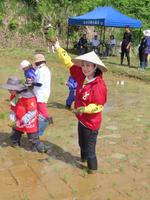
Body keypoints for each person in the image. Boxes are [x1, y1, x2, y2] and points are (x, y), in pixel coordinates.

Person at [53, 40, 107, 174]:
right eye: (83, 65)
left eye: (88, 66)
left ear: (95, 67)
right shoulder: (81, 75)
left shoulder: (99, 85)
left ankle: (91, 171)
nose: (85, 68)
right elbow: (68, 63)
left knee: (90, 150)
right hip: (81, 118)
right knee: (81, 144)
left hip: (92, 123)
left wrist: (85, 109)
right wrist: (58, 47)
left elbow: (99, 106)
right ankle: (82, 160)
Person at [0, 76, 46, 153]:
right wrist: (12, 117)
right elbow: (13, 107)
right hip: (18, 119)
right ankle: (16, 145)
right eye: (9, 89)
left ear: (16, 88)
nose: (9, 91)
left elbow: (32, 112)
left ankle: (42, 150)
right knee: (15, 135)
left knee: (33, 139)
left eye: (11, 89)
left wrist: (23, 120)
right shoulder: (14, 95)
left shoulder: (29, 96)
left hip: (29, 120)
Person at [33, 54, 53, 136]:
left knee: (42, 112)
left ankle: (40, 131)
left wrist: (31, 83)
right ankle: (39, 127)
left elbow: (39, 83)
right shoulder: (41, 69)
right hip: (39, 93)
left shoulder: (43, 70)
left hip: (41, 93)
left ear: (38, 62)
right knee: (38, 111)